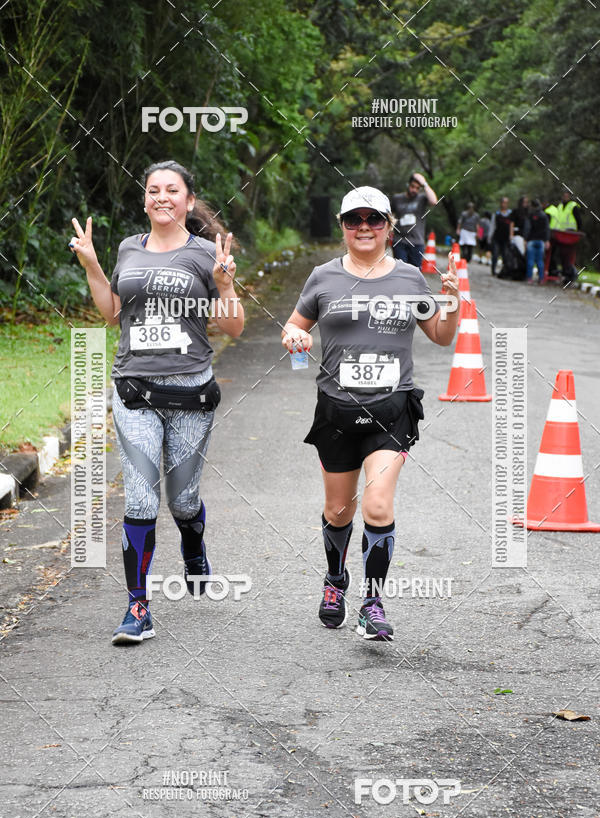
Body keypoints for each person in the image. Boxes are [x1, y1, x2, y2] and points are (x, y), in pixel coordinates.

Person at [69, 160, 244, 645]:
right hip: (134, 391)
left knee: (183, 501)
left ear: (189, 201)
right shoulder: (129, 248)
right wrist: (92, 265)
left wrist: (226, 285)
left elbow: (233, 328)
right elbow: (112, 316)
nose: (161, 197)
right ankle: (137, 607)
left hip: (191, 392)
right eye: (152, 190)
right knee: (142, 496)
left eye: (172, 190)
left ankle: (194, 546)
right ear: (144, 200)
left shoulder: (207, 253)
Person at [281, 186, 460, 642]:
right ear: (342, 226)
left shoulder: (409, 278)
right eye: (354, 220)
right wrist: (294, 339)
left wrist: (453, 302)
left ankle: (373, 602)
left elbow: (440, 335)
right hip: (336, 411)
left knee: (378, 504)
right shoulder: (322, 277)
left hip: (392, 408)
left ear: (388, 227)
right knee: (339, 509)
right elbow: (294, 326)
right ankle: (335, 581)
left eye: (374, 220)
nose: (364, 228)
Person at [390, 173, 438, 267]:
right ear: (408, 185)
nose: (414, 190)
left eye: (417, 188)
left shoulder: (422, 198)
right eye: (412, 187)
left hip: (417, 242)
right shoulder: (397, 198)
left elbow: (434, 201)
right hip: (400, 241)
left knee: (415, 273)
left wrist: (425, 184)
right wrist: (389, 231)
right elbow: (390, 215)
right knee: (400, 271)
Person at [523, 199, 550, 284]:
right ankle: (541, 279)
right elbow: (547, 229)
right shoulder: (544, 216)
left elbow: (527, 228)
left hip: (531, 240)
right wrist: (547, 240)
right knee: (540, 261)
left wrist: (525, 239)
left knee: (530, 260)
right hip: (541, 241)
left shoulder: (530, 215)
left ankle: (530, 278)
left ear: (532, 206)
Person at [488, 197, 513, 276]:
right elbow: (492, 226)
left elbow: (512, 226)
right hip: (497, 238)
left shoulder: (510, 214)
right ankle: (493, 270)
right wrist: (489, 237)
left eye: (506, 203)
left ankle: (505, 271)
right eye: (503, 202)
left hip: (506, 239)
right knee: (495, 254)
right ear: (501, 203)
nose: (504, 204)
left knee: (505, 255)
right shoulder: (496, 214)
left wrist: (511, 235)